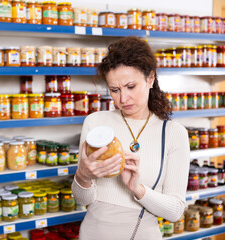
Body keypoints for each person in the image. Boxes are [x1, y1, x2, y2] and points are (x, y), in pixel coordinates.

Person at [72, 37, 190, 239]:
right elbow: (83, 200)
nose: (122, 99)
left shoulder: (173, 132)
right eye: (114, 90)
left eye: (131, 86)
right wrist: (83, 175)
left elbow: (175, 211)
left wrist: (137, 189)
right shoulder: (96, 123)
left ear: (150, 79)